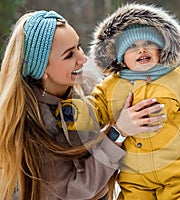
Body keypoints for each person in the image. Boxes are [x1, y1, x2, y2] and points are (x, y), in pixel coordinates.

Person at [60, 3, 180, 200]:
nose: (141, 50)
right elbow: (95, 108)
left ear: (161, 49)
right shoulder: (112, 86)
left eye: (148, 43)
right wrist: (75, 112)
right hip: (135, 177)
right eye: (132, 46)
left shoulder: (177, 78)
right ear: (120, 57)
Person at [0, 10, 165, 200]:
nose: (83, 58)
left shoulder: (92, 90)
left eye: (78, 46)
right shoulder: (28, 127)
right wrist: (118, 132)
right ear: (43, 69)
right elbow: (74, 191)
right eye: (69, 55)